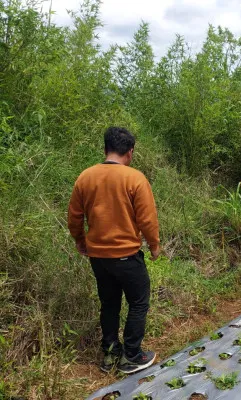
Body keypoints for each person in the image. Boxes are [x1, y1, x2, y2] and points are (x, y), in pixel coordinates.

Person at [67, 127, 159, 374]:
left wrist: (80, 240)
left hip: (98, 257)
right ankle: (131, 355)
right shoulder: (135, 178)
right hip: (127, 255)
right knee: (139, 302)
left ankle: (109, 353)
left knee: (109, 303)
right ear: (130, 152)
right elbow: (147, 219)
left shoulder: (85, 177)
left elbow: (74, 217)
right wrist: (155, 245)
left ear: (105, 149)